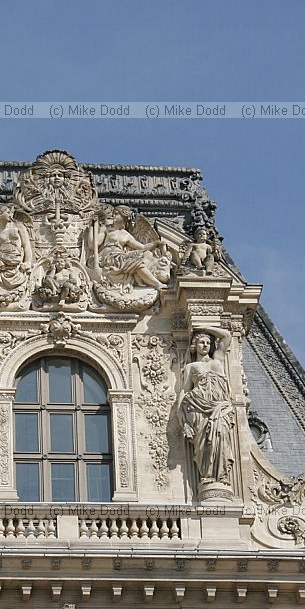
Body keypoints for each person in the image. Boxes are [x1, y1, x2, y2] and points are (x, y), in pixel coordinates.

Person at [177, 326, 235, 488]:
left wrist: (203, 327)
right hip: (199, 409)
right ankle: (207, 475)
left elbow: (227, 336)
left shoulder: (218, 359)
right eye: (201, 342)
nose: (205, 345)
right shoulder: (191, 367)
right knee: (205, 445)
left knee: (221, 438)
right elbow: (184, 391)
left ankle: (221, 476)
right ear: (194, 345)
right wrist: (183, 420)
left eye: (208, 342)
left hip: (221, 408)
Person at [88, 207, 171, 289]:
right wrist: (91, 228)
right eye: (114, 213)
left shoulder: (125, 235)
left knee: (140, 261)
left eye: (116, 213)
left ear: (123, 217)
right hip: (108, 257)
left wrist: (156, 243)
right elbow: (93, 245)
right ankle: (156, 284)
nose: (113, 215)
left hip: (120, 257)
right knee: (136, 263)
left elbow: (142, 247)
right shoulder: (106, 228)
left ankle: (156, 283)